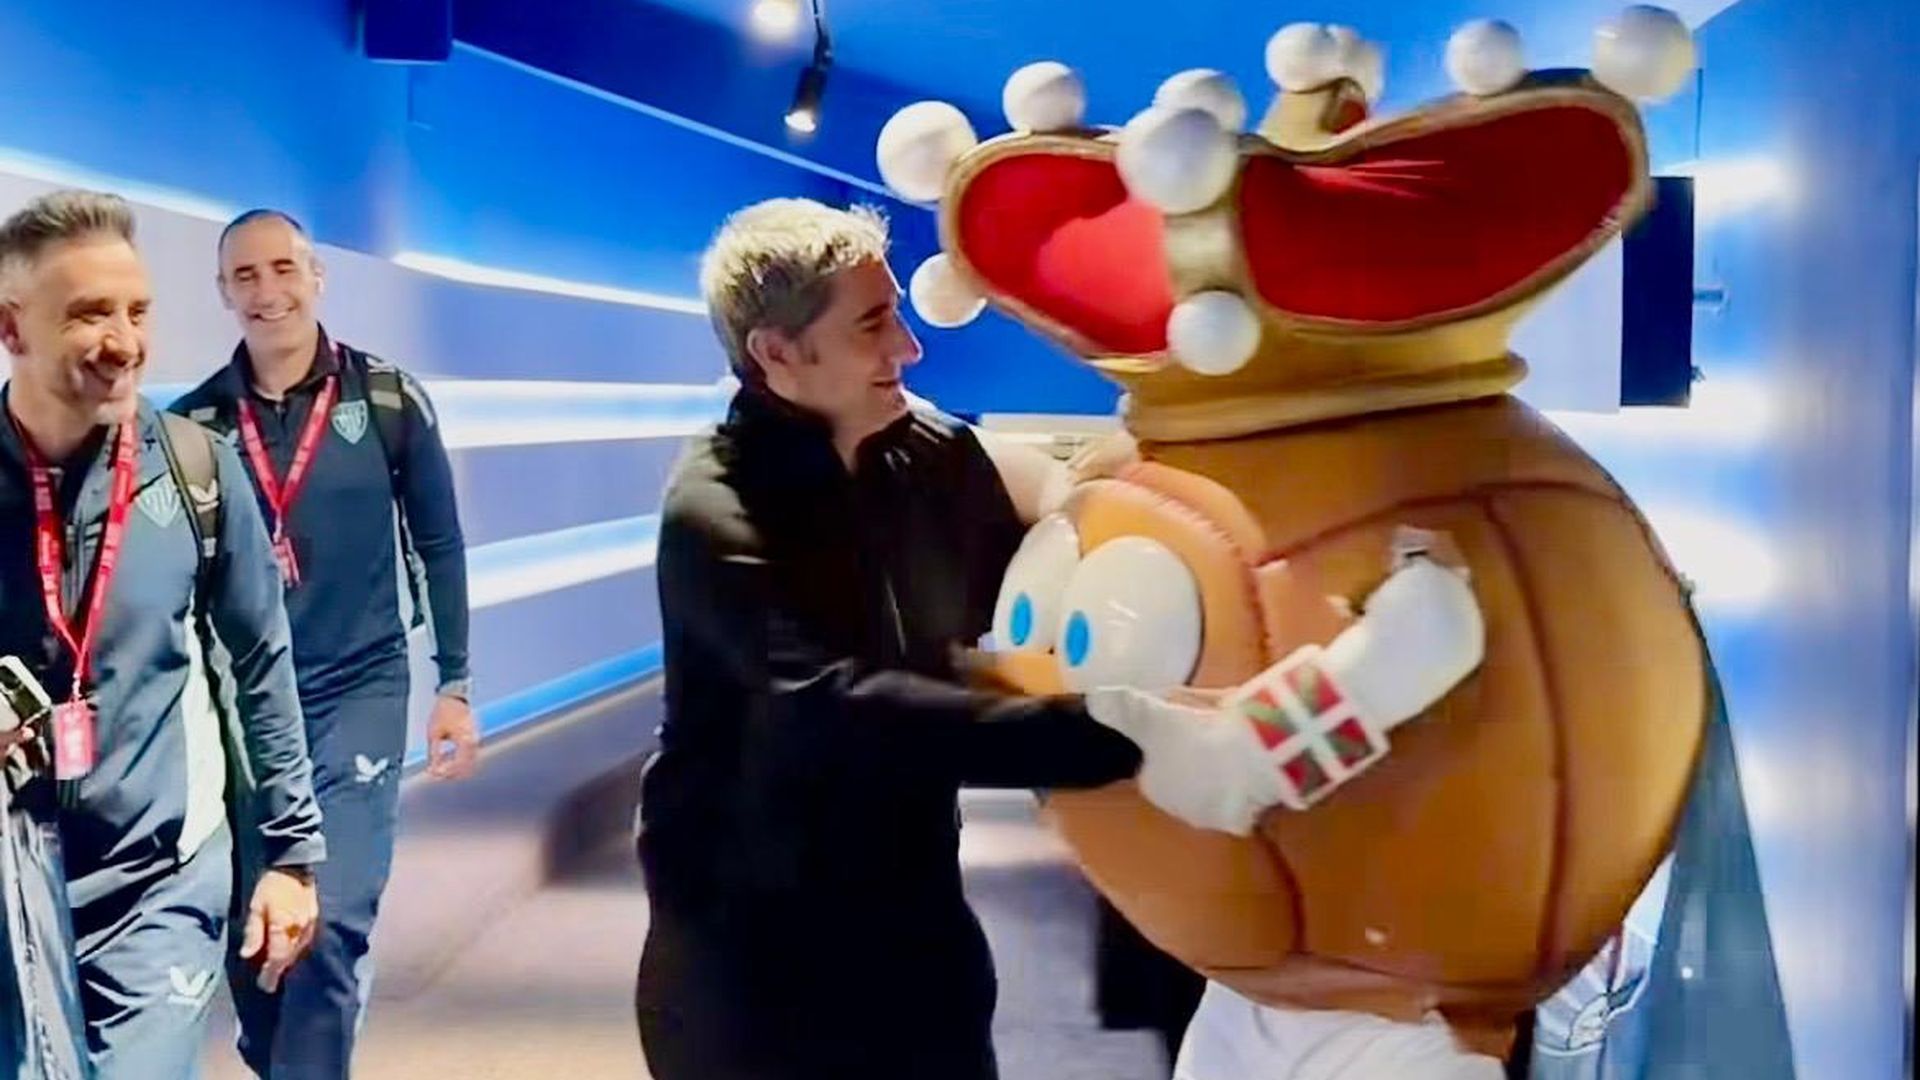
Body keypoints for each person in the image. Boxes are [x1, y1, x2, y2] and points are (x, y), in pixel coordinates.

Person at [634, 197, 1154, 1080]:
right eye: (873, 324)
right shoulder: (714, 509)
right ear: (777, 353)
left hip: (915, 933)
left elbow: (1059, 502)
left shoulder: (920, 452)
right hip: (753, 975)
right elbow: (839, 711)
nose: (908, 349)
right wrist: (1120, 731)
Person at [0, 189, 326, 1079]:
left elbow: (262, 663)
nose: (124, 341)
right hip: (12, 888)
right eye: (89, 314)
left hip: (159, 885)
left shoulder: (196, 470)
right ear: (12, 327)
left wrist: (292, 854)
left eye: (136, 311)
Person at [169, 208, 476, 1078]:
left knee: (330, 920)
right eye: (245, 276)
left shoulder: (387, 399)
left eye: (283, 269)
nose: (267, 291)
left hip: (359, 688)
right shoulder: (193, 428)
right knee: (257, 936)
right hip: (244, 710)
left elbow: (440, 543)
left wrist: (454, 684)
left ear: (316, 277)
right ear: (224, 292)